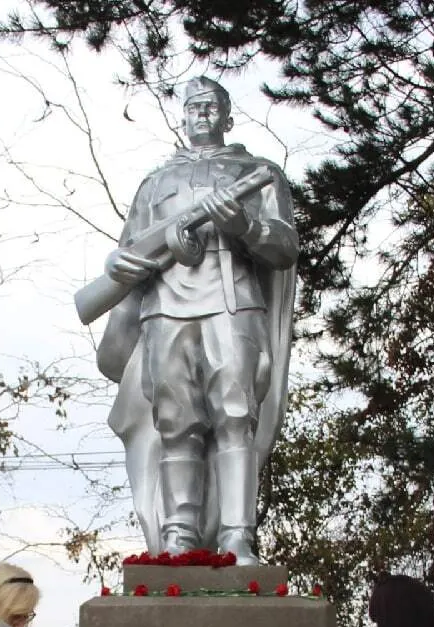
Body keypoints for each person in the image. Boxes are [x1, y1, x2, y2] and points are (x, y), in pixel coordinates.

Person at [96, 75, 299, 562]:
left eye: (212, 107)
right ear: (182, 117)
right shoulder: (155, 183)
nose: (202, 115)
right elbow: (129, 252)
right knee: (175, 423)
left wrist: (243, 225)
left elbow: (284, 246)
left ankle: (235, 536)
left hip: (233, 305)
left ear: (228, 117)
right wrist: (118, 265)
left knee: (234, 418)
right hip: (165, 310)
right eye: (193, 108)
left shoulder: (258, 173)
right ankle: (178, 535)